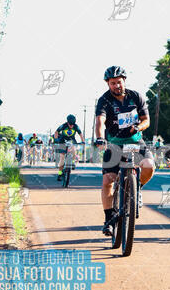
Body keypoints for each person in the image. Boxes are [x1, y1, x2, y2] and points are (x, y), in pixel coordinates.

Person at [95, 66, 155, 236]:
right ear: (108, 84)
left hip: (135, 142)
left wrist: (138, 127)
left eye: (119, 82)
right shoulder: (104, 100)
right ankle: (109, 219)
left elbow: (146, 120)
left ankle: (138, 189)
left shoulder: (135, 96)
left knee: (149, 165)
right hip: (114, 144)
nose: (116, 86)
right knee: (108, 180)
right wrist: (100, 138)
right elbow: (100, 120)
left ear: (124, 81)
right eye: (112, 83)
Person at [54, 115, 85, 181]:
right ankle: (60, 173)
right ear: (67, 122)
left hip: (71, 140)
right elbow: (56, 132)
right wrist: (56, 139)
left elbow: (80, 134)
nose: (71, 126)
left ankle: (73, 162)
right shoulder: (63, 126)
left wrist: (83, 141)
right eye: (70, 124)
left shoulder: (76, 126)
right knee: (62, 158)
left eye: (72, 124)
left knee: (74, 149)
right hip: (63, 141)